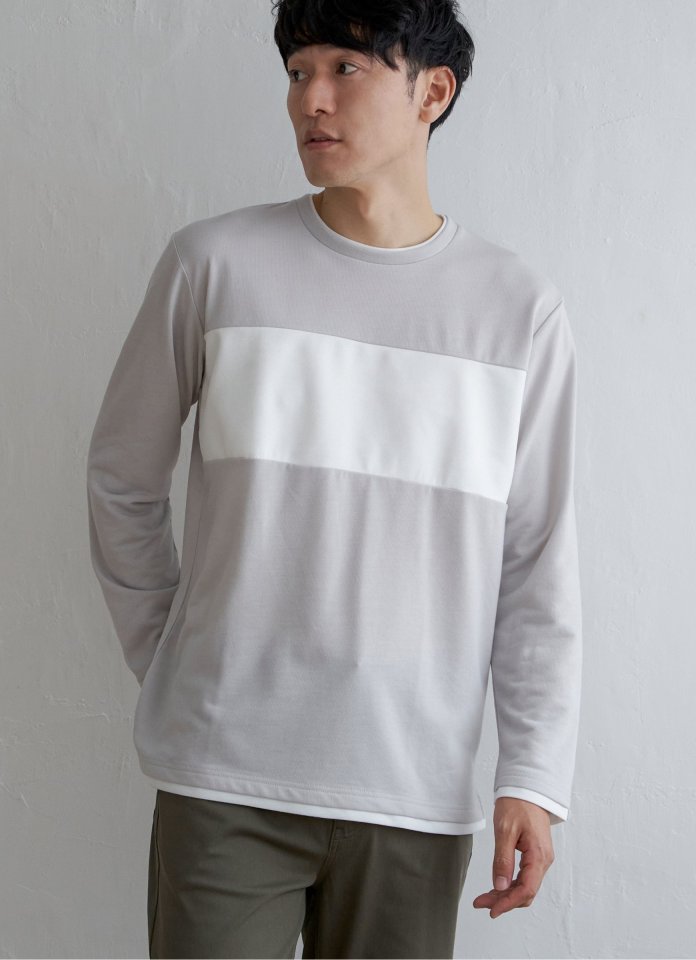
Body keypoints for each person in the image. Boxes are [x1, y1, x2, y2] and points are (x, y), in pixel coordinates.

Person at [86, 0, 583, 957]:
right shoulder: (213, 265)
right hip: (224, 775)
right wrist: (174, 655)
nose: (310, 98)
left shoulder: (517, 311)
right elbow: (121, 479)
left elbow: (536, 562)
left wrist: (532, 775)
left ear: (432, 92)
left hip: (412, 788)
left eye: (345, 69)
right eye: (297, 71)